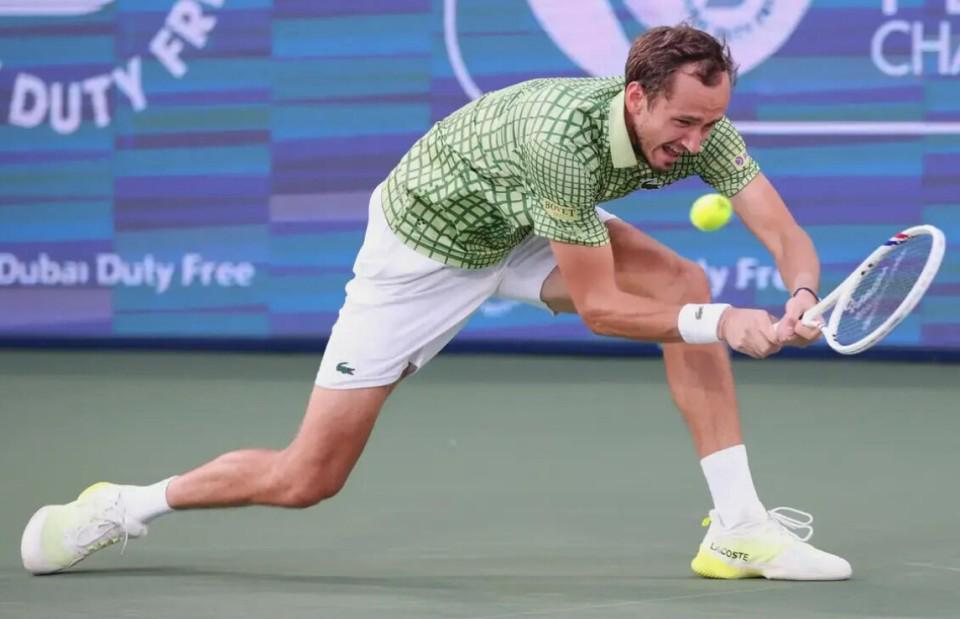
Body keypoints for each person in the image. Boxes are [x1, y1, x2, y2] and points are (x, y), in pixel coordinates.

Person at [21, 25, 850, 581]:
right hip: (422, 251)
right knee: (307, 476)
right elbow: (600, 307)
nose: (697, 143)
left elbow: (783, 231)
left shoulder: (704, 126)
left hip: (522, 226)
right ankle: (124, 505)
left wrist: (801, 293)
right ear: (637, 96)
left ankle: (737, 525)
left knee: (682, 283)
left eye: (710, 125)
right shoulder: (561, 140)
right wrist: (727, 323)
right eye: (684, 123)